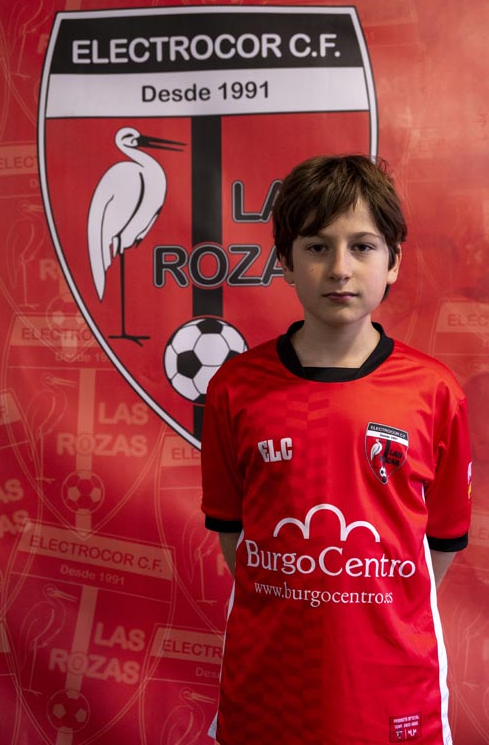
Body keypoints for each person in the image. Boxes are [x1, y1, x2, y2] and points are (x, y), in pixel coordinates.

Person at [201, 155, 472, 745]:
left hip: (392, 690)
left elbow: (439, 547)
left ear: (393, 261)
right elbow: (233, 537)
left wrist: (367, 595)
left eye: (363, 247)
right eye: (317, 247)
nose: (340, 269)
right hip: (268, 687)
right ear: (285, 261)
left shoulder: (434, 391)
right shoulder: (236, 388)